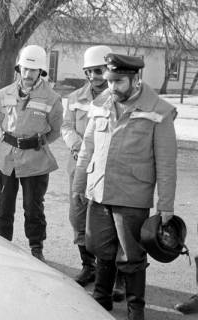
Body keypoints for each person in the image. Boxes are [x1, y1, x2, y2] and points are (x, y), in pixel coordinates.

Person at [72, 53, 177, 320]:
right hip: (99, 190)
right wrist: (79, 185)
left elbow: (166, 163)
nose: (112, 87)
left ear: (135, 79)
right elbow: (88, 148)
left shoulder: (159, 111)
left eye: (118, 82)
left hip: (132, 195)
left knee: (131, 255)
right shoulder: (101, 104)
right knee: (99, 248)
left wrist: (165, 206)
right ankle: (102, 298)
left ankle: (135, 309)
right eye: (109, 81)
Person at [0, 45, 63, 262]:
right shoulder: (5, 93)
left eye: (34, 70)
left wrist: (34, 141)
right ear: (19, 68)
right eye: (25, 68)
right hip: (7, 158)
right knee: (3, 205)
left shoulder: (52, 98)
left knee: (33, 207)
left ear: (41, 71)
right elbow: (2, 121)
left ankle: (36, 247)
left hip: (35, 158)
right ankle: (1, 246)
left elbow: (55, 130)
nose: (29, 73)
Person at [62, 45, 112, 286]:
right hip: (79, 165)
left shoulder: (118, 98)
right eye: (90, 71)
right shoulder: (75, 98)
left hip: (106, 169)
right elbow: (66, 126)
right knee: (78, 215)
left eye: (99, 70)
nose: (94, 76)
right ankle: (87, 266)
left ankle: (118, 275)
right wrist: (76, 145)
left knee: (109, 220)